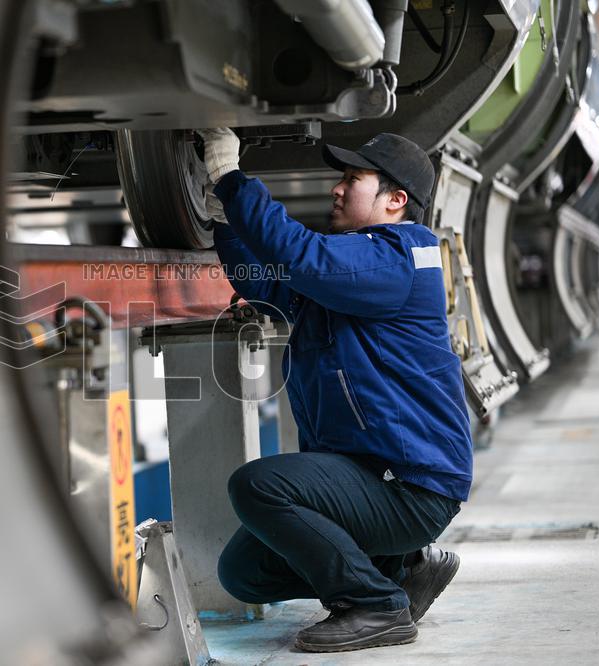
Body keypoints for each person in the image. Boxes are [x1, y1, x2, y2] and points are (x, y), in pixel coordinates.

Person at [198, 128, 472, 653]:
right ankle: (403, 568)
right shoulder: (354, 273)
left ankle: (378, 605)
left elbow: (304, 257)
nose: (337, 189)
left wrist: (231, 180)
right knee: (243, 573)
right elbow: (269, 284)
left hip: (408, 484)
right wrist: (224, 223)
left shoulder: (399, 256)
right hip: (371, 473)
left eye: (353, 179)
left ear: (396, 200)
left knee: (258, 486)